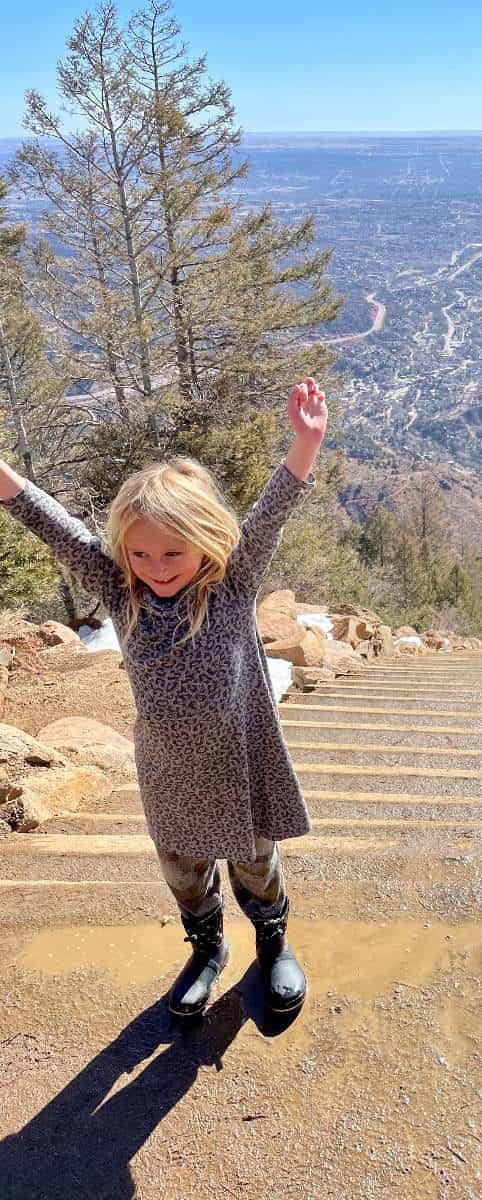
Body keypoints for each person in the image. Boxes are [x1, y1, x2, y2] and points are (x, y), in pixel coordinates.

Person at [0, 380, 328, 1018]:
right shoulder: (122, 591)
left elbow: (270, 513)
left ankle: (273, 941)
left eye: (172, 551)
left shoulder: (232, 584)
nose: (156, 564)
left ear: (207, 539)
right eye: (140, 552)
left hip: (240, 758)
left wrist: (304, 444)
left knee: (255, 862)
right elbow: (55, 527)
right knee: (184, 869)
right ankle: (206, 950)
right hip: (168, 769)